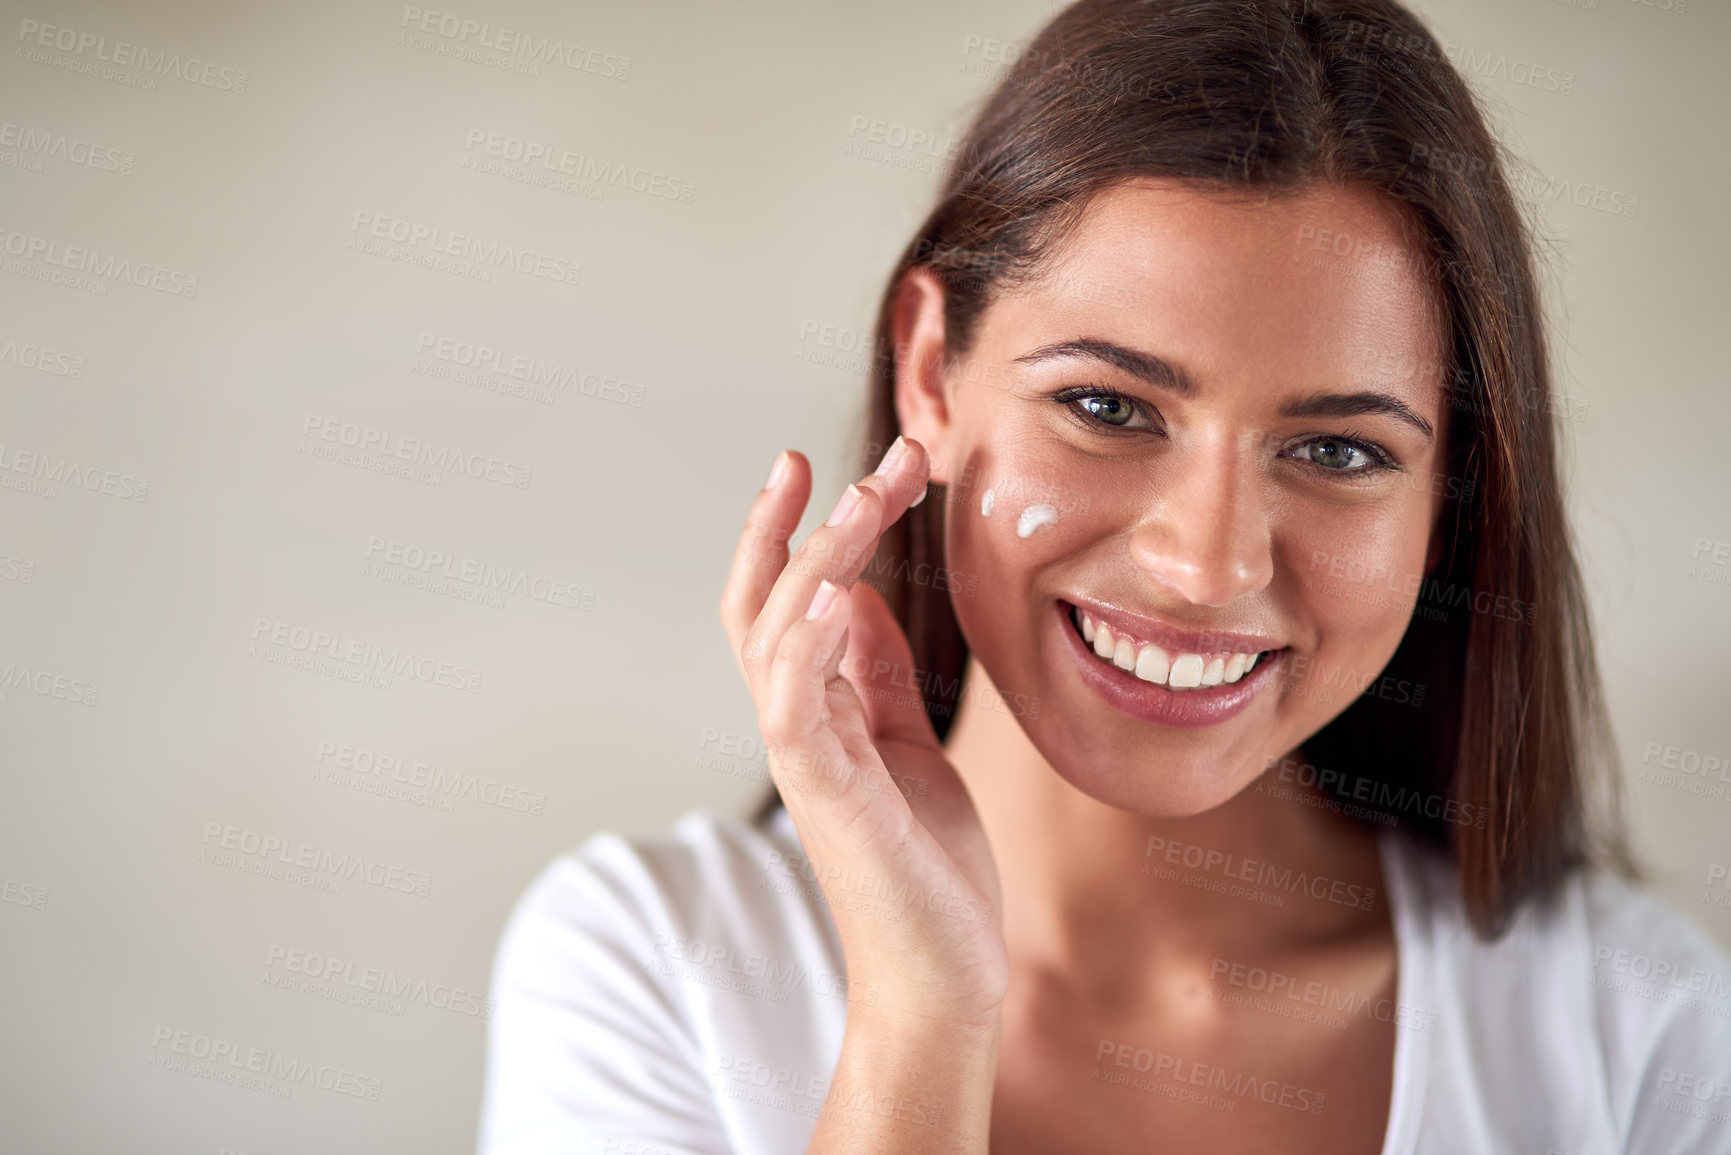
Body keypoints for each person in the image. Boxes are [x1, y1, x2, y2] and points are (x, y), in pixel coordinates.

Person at [477, 0, 1731, 1151]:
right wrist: (924, 1014)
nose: (1205, 565)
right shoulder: (649, 966)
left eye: (1340, 450)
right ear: (932, 370)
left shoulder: (1633, 1037)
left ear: (1452, 492)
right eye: (1106, 405)